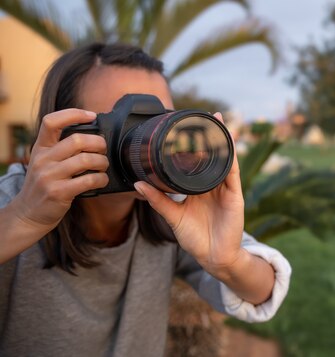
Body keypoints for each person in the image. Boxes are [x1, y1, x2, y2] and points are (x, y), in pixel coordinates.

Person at [0, 43, 291, 356]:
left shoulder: (173, 210)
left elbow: (264, 288)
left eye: (158, 121)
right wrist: (24, 219)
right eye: (121, 123)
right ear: (63, 133)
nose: (150, 139)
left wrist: (230, 262)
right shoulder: (16, 199)